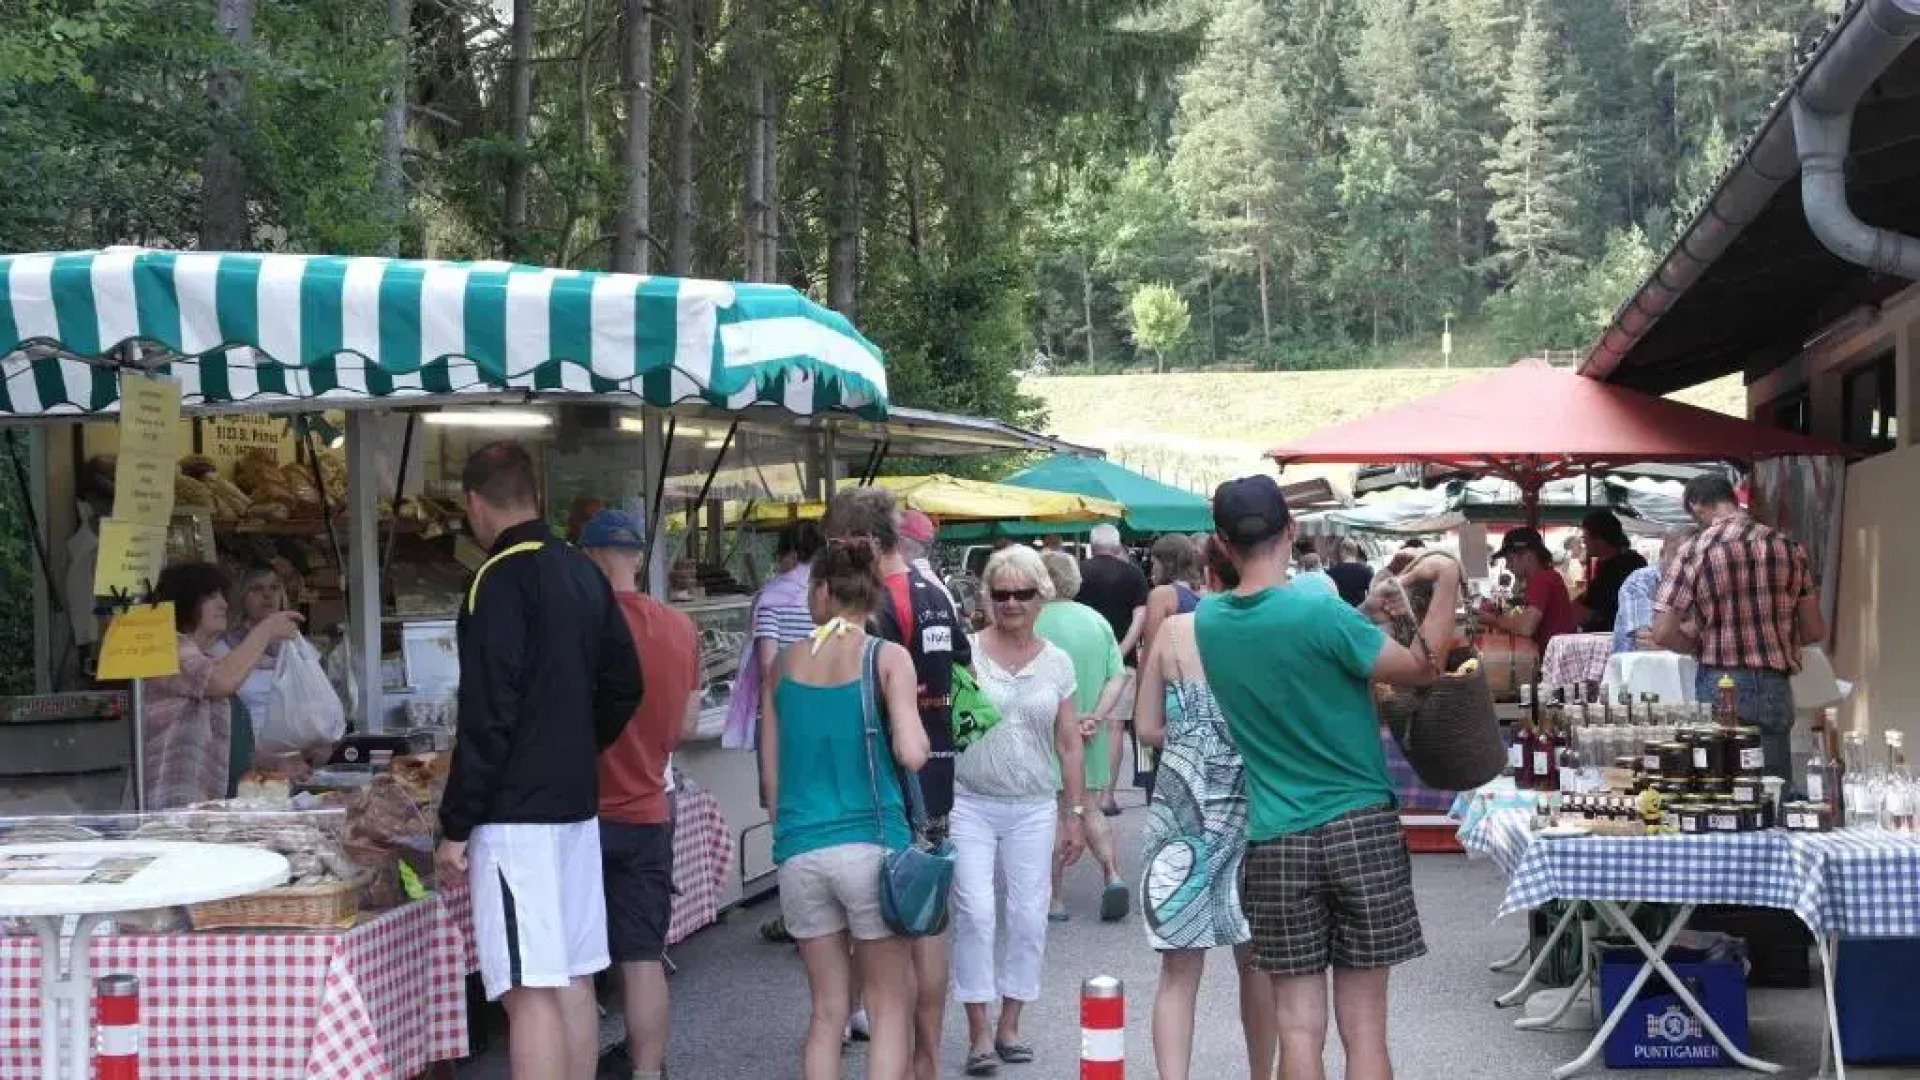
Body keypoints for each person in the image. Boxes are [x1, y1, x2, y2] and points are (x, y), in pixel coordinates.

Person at [1196, 474, 1462, 1080]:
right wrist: (1445, 576)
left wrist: (1363, 614)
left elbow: (1289, 639)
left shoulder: (1210, 623)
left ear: (1222, 542)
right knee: (1365, 1028)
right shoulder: (1319, 613)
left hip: (1277, 837)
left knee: (1296, 1026)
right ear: (1291, 529)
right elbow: (1422, 668)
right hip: (1361, 826)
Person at [436, 441, 643, 1080]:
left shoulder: (494, 580)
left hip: (514, 820)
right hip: (576, 808)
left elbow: (487, 714)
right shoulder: (582, 570)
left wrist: (455, 823)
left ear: (475, 504)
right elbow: (625, 684)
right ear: (536, 497)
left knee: (526, 994)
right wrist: (575, 743)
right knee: (575, 978)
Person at [759, 535, 929, 1080]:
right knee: (888, 1006)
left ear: (824, 592)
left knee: (827, 1014)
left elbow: (769, 785)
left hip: (800, 852)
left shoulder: (782, 667)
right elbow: (910, 753)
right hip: (873, 849)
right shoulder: (887, 658)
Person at [823, 487, 970, 1080]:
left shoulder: (874, 602)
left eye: (835, 543)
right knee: (928, 924)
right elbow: (961, 670)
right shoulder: (937, 590)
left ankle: (897, 1055)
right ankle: (925, 1060)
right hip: (936, 774)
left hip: (886, 783)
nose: (831, 556)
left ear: (860, 541)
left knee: (889, 937)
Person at [1135, 535, 1274, 1080]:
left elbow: (1146, 729)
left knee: (1177, 971)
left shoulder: (1173, 631)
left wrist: (1193, 742)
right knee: (1257, 964)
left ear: (1206, 577)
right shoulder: (1266, 634)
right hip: (1252, 809)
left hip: (1182, 811)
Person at [953, 545, 1085, 1076]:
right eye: (1000, 593)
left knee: (1030, 917)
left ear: (1041, 596)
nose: (1010, 603)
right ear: (987, 595)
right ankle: (978, 1030)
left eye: (1021, 594)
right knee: (976, 912)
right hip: (969, 802)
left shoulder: (1058, 661)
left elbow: (1070, 741)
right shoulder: (965, 652)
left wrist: (1073, 812)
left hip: (1032, 804)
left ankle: (1011, 1021)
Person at [580, 511, 701, 1080]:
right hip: (650, 807)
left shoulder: (578, 626)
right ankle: (648, 1072)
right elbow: (682, 729)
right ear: (634, 556)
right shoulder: (679, 627)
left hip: (577, 817)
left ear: (592, 557)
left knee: (577, 966)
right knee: (641, 956)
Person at [1653, 473, 1825, 780]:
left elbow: (1663, 631)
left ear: (1696, 505)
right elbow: (1813, 630)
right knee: (1772, 787)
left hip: (1720, 683)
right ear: (1732, 498)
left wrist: (1695, 643)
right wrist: (1778, 636)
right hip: (1774, 683)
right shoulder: (1789, 548)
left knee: (1724, 783)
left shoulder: (1694, 551)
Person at [145, 562, 303, 809]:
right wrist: (267, 630)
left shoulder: (205, 656)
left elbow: (221, 735)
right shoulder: (166, 650)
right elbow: (219, 681)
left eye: (222, 596)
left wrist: (272, 762)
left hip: (212, 809)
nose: (224, 605)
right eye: (211, 596)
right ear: (185, 600)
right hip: (175, 808)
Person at [741, 521, 826, 945]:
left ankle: (798, 913)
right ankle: (822, 910)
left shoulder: (772, 597)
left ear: (790, 552)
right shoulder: (829, 593)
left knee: (782, 813)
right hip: (825, 716)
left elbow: (766, 666)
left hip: (782, 718)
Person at [1033, 551, 1128, 924]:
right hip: (1089, 732)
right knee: (1089, 808)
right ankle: (1112, 873)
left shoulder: (1034, 622)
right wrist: (1097, 716)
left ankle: (1055, 898)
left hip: (1047, 734)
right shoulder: (1096, 621)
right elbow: (1117, 676)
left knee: (1055, 814)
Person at [1077, 524, 1148, 816]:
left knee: (1083, 723)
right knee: (1115, 726)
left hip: (1082, 659)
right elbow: (1139, 618)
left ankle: (1081, 793)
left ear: (1092, 547)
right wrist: (1120, 652)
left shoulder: (1078, 571)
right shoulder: (1134, 575)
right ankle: (1106, 796)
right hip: (1124, 662)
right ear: (1118, 547)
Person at [1480, 527, 1579, 655]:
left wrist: (1493, 620)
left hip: (1550, 661)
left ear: (1528, 556)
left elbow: (1526, 627)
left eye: (1510, 559)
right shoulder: (1548, 576)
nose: (1507, 566)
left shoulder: (1541, 579)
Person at [1611, 525, 1698, 655]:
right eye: (1679, 555)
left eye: (1693, 557)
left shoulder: (1700, 581)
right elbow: (1645, 640)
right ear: (1662, 554)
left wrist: (1667, 632)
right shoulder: (1641, 581)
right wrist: (1692, 631)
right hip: (1638, 667)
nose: (1686, 562)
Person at [1577, 510, 1645, 633]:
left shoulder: (1613, 570)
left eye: (1585, 538)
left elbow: (1594, 611)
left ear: (1599, 539)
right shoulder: (1635, 560)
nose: (1584, 543)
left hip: (1613, 637)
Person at [1325, 537, 1373, 608]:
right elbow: (1372, 594)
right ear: (1356, 552)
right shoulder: (1366, 571)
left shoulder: (1331, 572)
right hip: (1358, 611)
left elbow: (1328, 595)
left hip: (1339, 611)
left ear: (1342, 552)